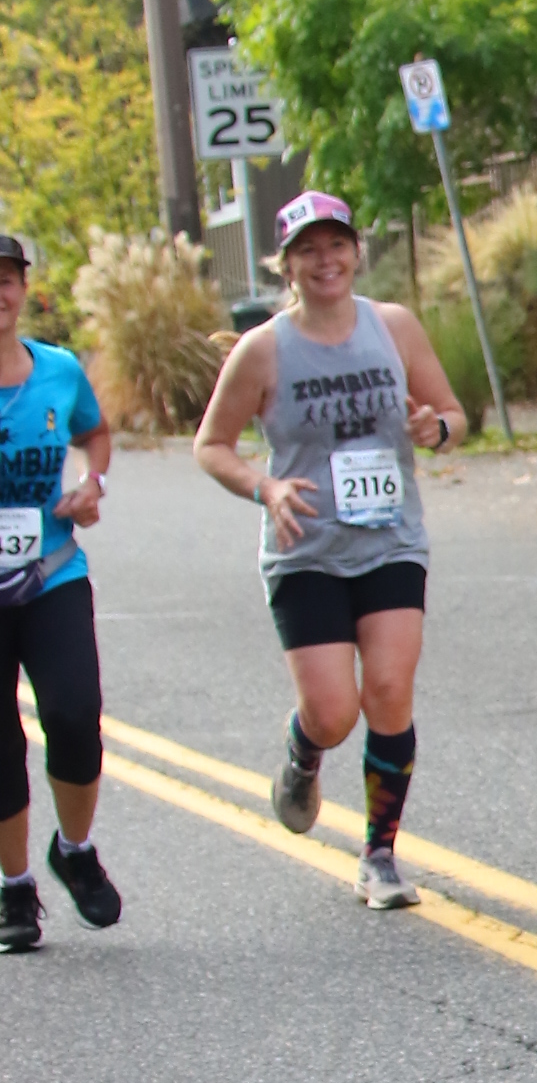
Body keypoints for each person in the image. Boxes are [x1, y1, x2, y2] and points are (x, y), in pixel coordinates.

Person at [193, 189, 464, 908]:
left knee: (390, 691)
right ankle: (304, 750)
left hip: (390, 539)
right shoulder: (263, 350)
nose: (325, 261)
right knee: (334, 712)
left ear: (355, 252)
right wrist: (265, 487)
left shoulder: (393, 327)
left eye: (336, 245)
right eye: (308, 251)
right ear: (286, 266)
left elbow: (453, 414)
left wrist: (437, 429)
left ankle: (380, 855)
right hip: (305, 549)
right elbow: (212, 445)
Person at [0, 229, 120, 951]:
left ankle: (74, 851)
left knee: (74, 715)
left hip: (51, 573)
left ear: (22, 289)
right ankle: (14, 887)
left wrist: (91, 483)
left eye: (6, 278)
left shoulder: (58, 370)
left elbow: (95, 433)